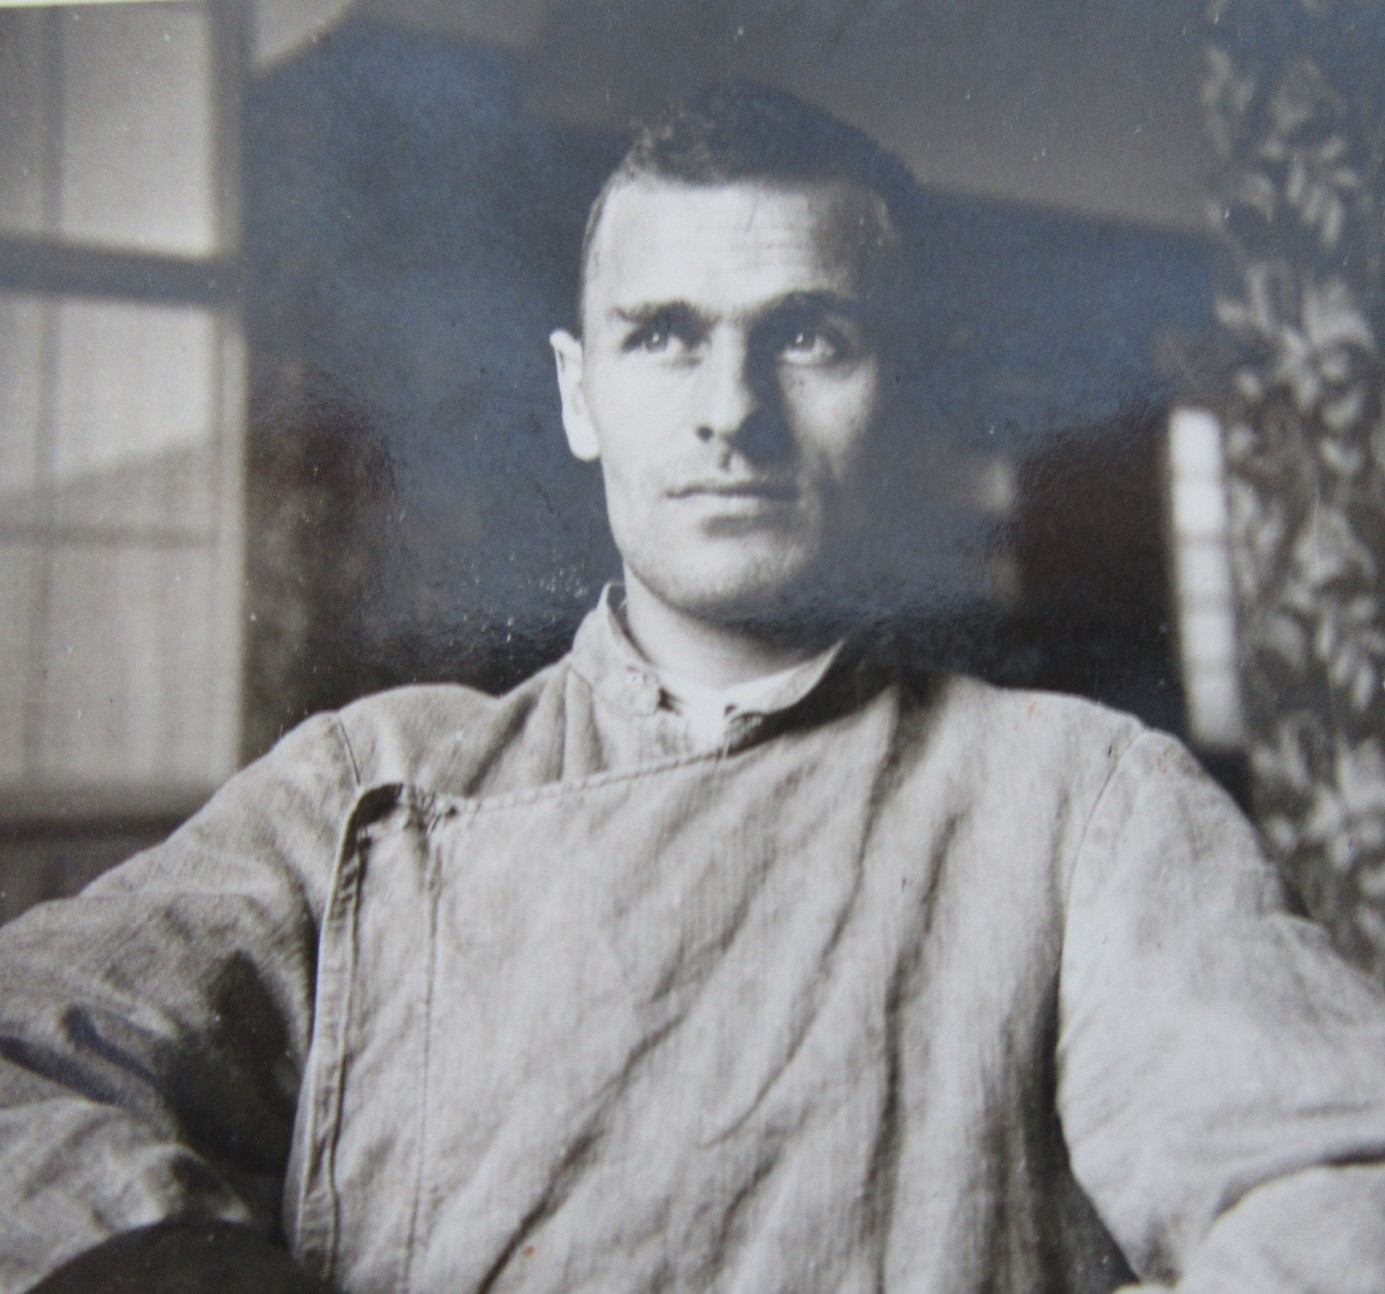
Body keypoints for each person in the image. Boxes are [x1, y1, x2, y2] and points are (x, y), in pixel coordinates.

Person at [4, 81, 1385, 1294]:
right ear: (579, 394)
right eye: (665, 335)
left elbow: (1331, 1190)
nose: (733, 408)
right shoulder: (364, 787)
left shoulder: (1084, 801)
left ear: (907, 389)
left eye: (810, 336)